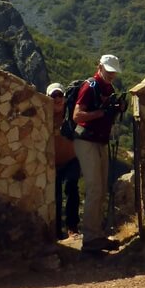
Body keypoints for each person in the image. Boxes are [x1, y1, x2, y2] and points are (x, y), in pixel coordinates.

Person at [72, 54, 125, 253]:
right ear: (100, 67)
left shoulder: (108, 89)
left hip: (99, 141)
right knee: (95, 188)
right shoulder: (90, 86)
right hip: (86, 141)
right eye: (109, 70)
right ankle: (90, 238)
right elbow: (77, 115)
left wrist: (117, 109)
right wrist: (102, 113)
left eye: (114, 71)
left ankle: (97, 234)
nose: (112, 74)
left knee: (101, 188)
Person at [46, 82, 81, 241]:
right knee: (56, 196)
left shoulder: (71, 114)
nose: (57, 99)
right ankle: (56, 232)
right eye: (54, 96)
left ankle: (72, 228)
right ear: (47, 98)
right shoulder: (42, 116)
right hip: (52, 163)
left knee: (71, 187)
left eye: (60, 95)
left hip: (71, 158)